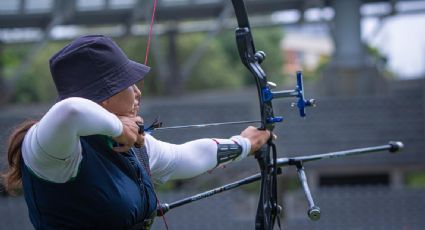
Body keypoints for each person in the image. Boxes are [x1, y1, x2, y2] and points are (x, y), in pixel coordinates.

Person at [2, 35, 271, 230]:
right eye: (129, 84)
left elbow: (184, 157)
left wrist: (244, 144)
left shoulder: (125, 144)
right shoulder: (49, 148)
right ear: (104, 94)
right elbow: (70, 111)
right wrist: (119, 127)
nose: (138, 92)